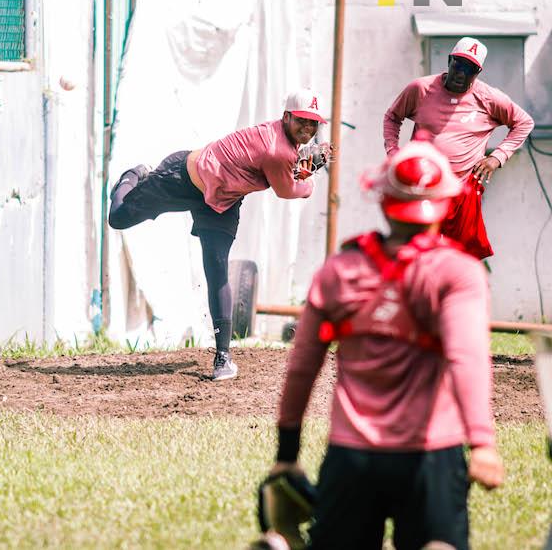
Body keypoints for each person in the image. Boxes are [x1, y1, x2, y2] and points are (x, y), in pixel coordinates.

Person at [270, 141, 504, 549]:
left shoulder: (340, 270)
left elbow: (303, 365)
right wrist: (482, 443)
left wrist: (287, 454)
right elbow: (466, 357)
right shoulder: (458, 272)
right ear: (447, 203)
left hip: (351, 458)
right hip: (431, 456)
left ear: (383, 199)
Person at [108, 89, 332, 381]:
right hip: (184, 179)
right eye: (302, 120)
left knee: (217, 269)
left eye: (313, 123)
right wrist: (311, 173)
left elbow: (286, 173)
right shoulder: (278, 149)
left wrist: (305, 168)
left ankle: (222, 357)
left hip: (222, 201)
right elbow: (287, 189)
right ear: (286, 117)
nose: (308, 128)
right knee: (118, 218)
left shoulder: (284, 145)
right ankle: (133, 176)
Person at [383, 36, 534, 259]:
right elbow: (392, 117)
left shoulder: (488, 97)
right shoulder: (421, 89)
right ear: (449, 60)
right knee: (417, 251)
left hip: (463, 188)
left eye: (470, 69)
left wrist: (497, 157)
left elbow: (524, 122)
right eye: (459, 64)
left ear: (478, 73)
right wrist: (394, 154)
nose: (462, 72)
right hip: (424, 187)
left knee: (463, 256)